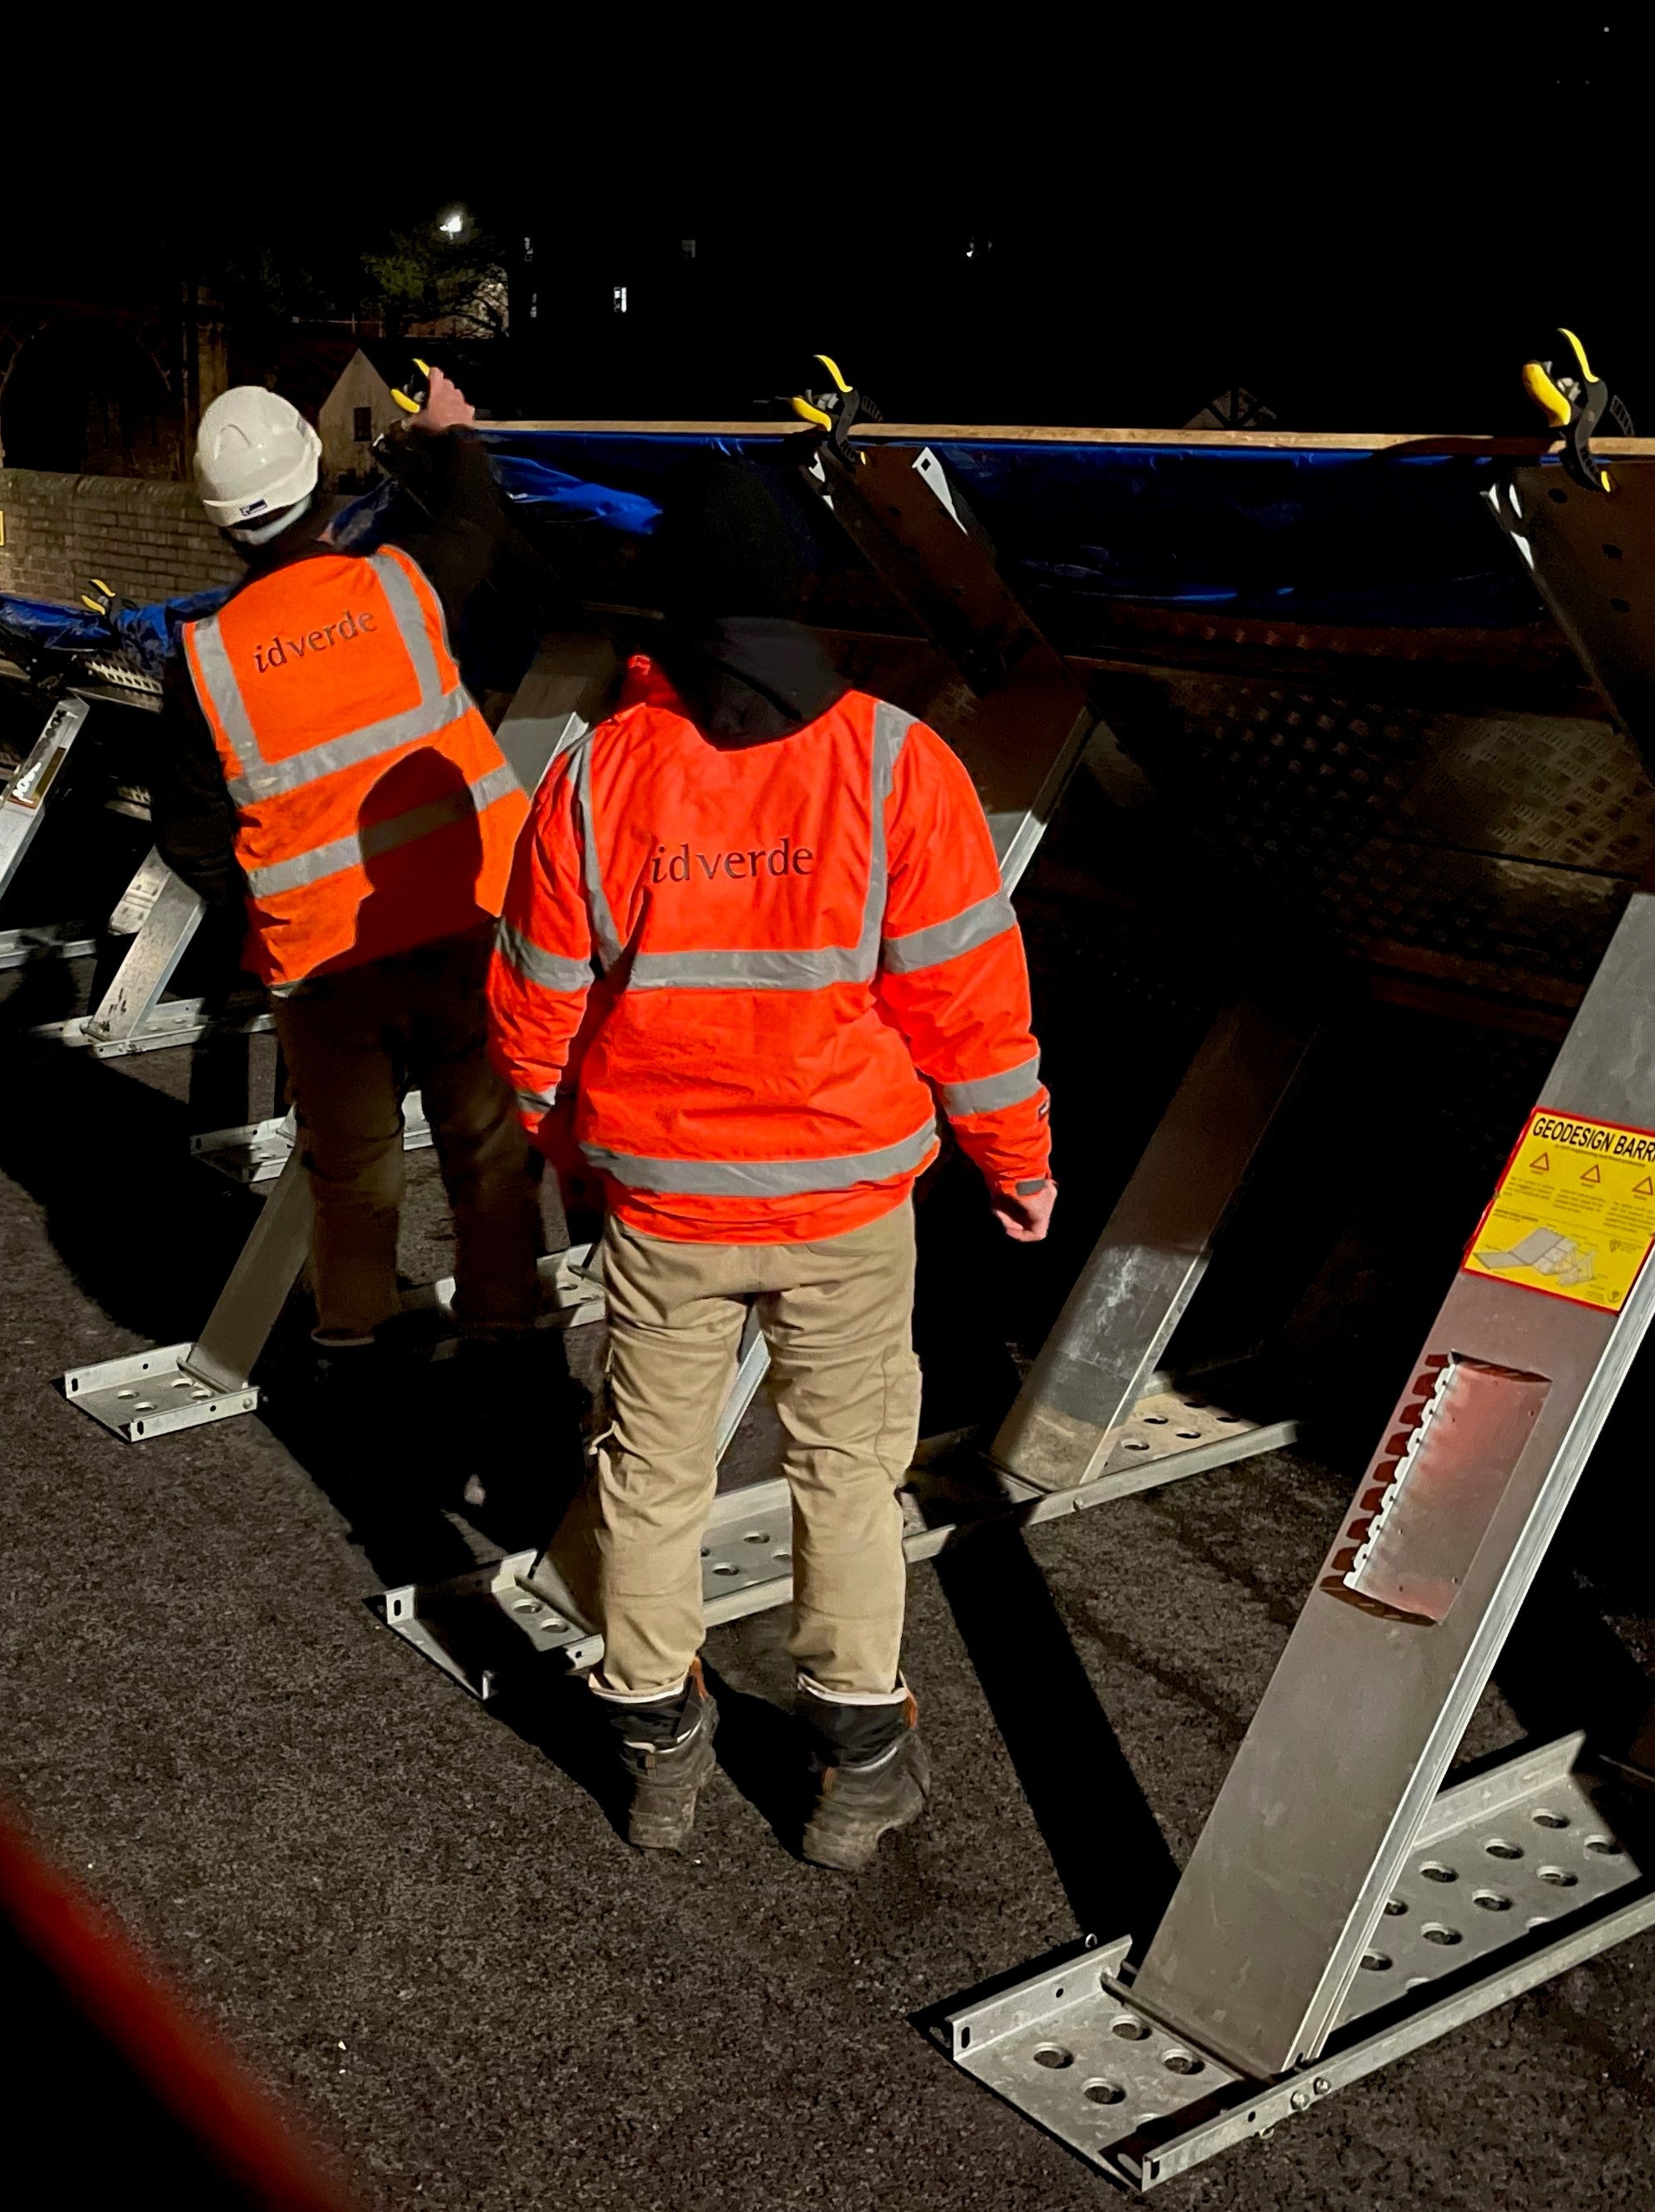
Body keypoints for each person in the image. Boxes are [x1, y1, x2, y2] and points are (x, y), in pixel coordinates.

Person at [486, 458, 1057, 1870]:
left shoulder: (593, 774)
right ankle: (858, 1769)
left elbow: (532, 1015)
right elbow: (968, 1003)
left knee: (647, 1473)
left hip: (664, 1205)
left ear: (670, 609)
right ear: (806, 594)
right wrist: (1015, 1160)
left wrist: (574, 1151)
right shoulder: (892, 761)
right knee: (844, 1474)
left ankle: (656, 1753)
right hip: (846, 1206)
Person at [151, 371, 552, 1386]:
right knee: (485, 1142)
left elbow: (191, 835)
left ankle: (352, 1338)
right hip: (458, 917)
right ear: (321, 483)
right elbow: (474, 524)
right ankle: (505, 1321)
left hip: (322, 960)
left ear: (221, 525)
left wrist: (268, 907)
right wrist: (448, 437)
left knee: (352, 1167)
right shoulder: (397, 589)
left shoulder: (204, 660)